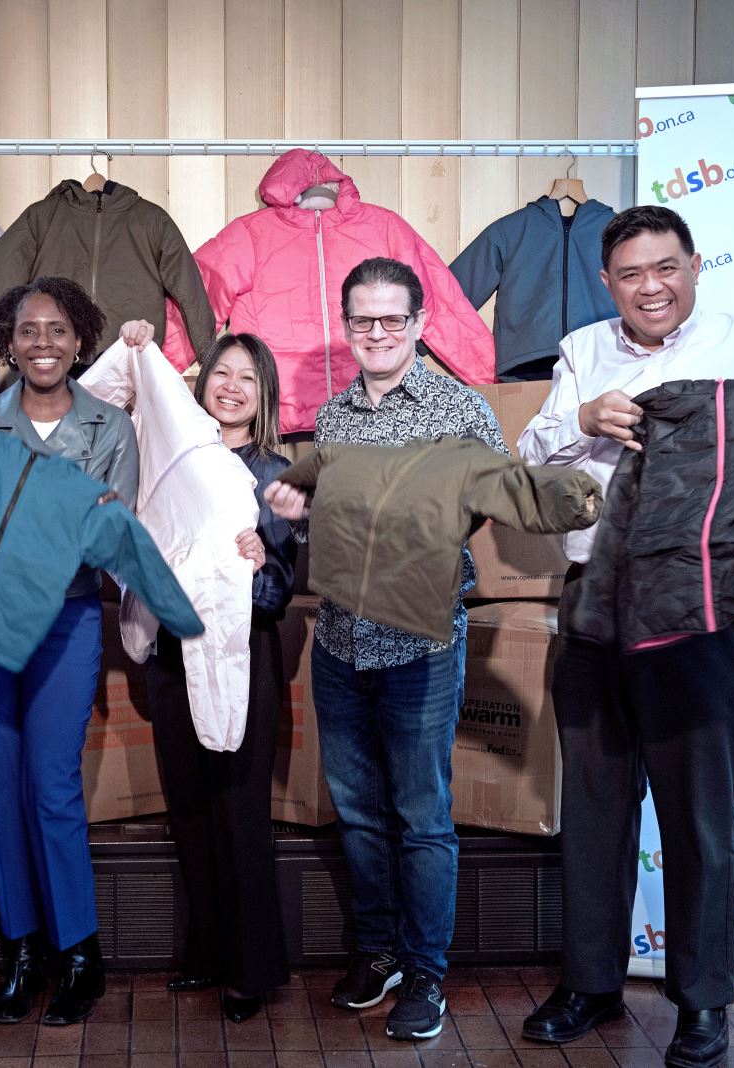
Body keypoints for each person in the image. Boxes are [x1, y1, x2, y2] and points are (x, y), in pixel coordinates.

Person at [515, 205, 734, 1068]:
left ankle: (703, 1003)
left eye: (666, 268)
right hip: (594, 601)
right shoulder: (581, 351)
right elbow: (531, 458)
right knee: (596, 808)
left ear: (695, 266)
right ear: (608, 282)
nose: (652, 287)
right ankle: (591, 984)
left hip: (704, 609)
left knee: (699, 813)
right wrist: (582, 421)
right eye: (633, 274)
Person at [265, 256, 504, 1042]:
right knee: (360, 813)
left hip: (420, 641)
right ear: (347, 326)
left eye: (391, 319)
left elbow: (476, 512)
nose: (376, 333)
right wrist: (295, 512)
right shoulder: (332, 420)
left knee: (422, 815)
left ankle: (426, 971)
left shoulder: (459, 411)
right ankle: (379, 951)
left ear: (420, 324)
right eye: (362, 320)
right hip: (340, 638)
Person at [0, 277, 139, 1027]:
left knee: (51, 783)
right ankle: (21, 950)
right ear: (9, 341)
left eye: (57, 330)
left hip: (63, 621)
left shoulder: (110, 428)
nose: (43, 344)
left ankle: (80, 956)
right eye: (28, 330)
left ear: (80, 340)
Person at [139, 330, 296, 1022]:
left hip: (241, 654)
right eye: (220, 373)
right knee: (191, 810)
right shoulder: (172, 459)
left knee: (237, 808)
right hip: (173, 652)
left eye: (247, 379)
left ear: (263, 398)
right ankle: (206, 949)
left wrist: (260, 565)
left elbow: (283, 590)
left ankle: (250, 969)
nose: (230, 387)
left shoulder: (275, 473)